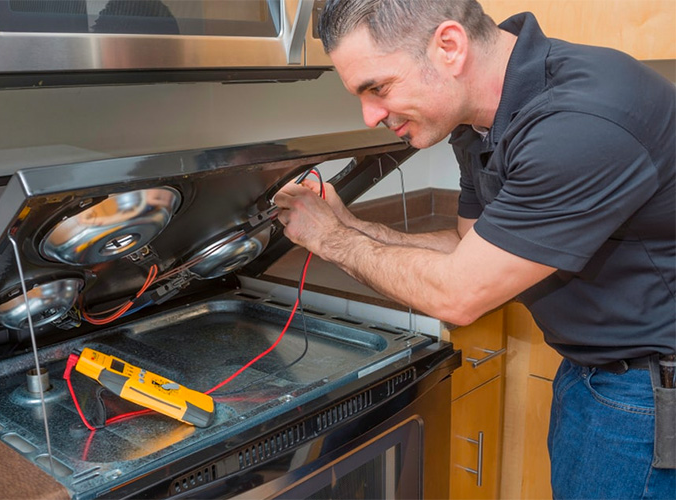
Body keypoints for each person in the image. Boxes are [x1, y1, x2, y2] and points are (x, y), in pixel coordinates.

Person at [273, 0, 676, 497]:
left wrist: (328, 238)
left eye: (377, 87)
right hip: (599, 372)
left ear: (449, 47)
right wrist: (349, 225)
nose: (371, 114)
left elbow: (458, 295)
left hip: (649, 392)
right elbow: (471, 247)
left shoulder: (577, 122)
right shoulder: (479, 118)